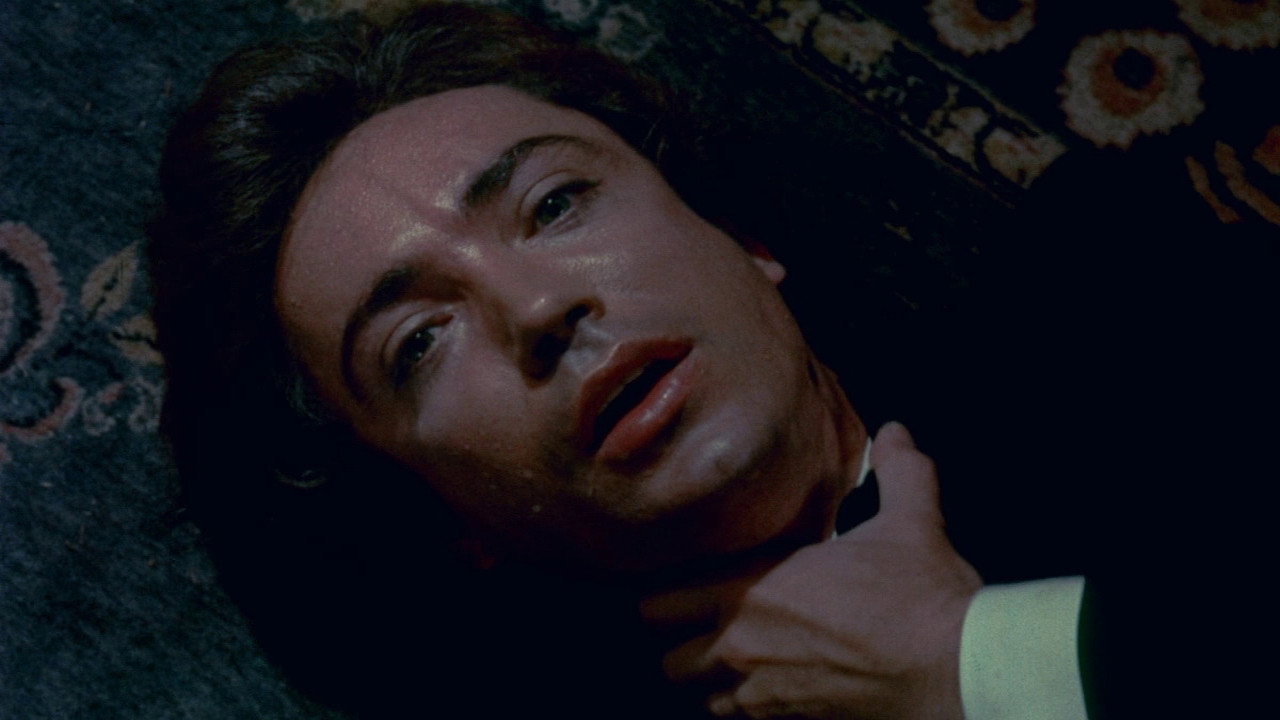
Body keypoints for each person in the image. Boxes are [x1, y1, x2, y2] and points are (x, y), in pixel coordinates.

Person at [148, 3, 1276, 718]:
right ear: (445, 519)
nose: (538, 307)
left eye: (555, 202)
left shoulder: (1136, 298)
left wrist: (971, 666)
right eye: (418, 343)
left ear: (740, 237)